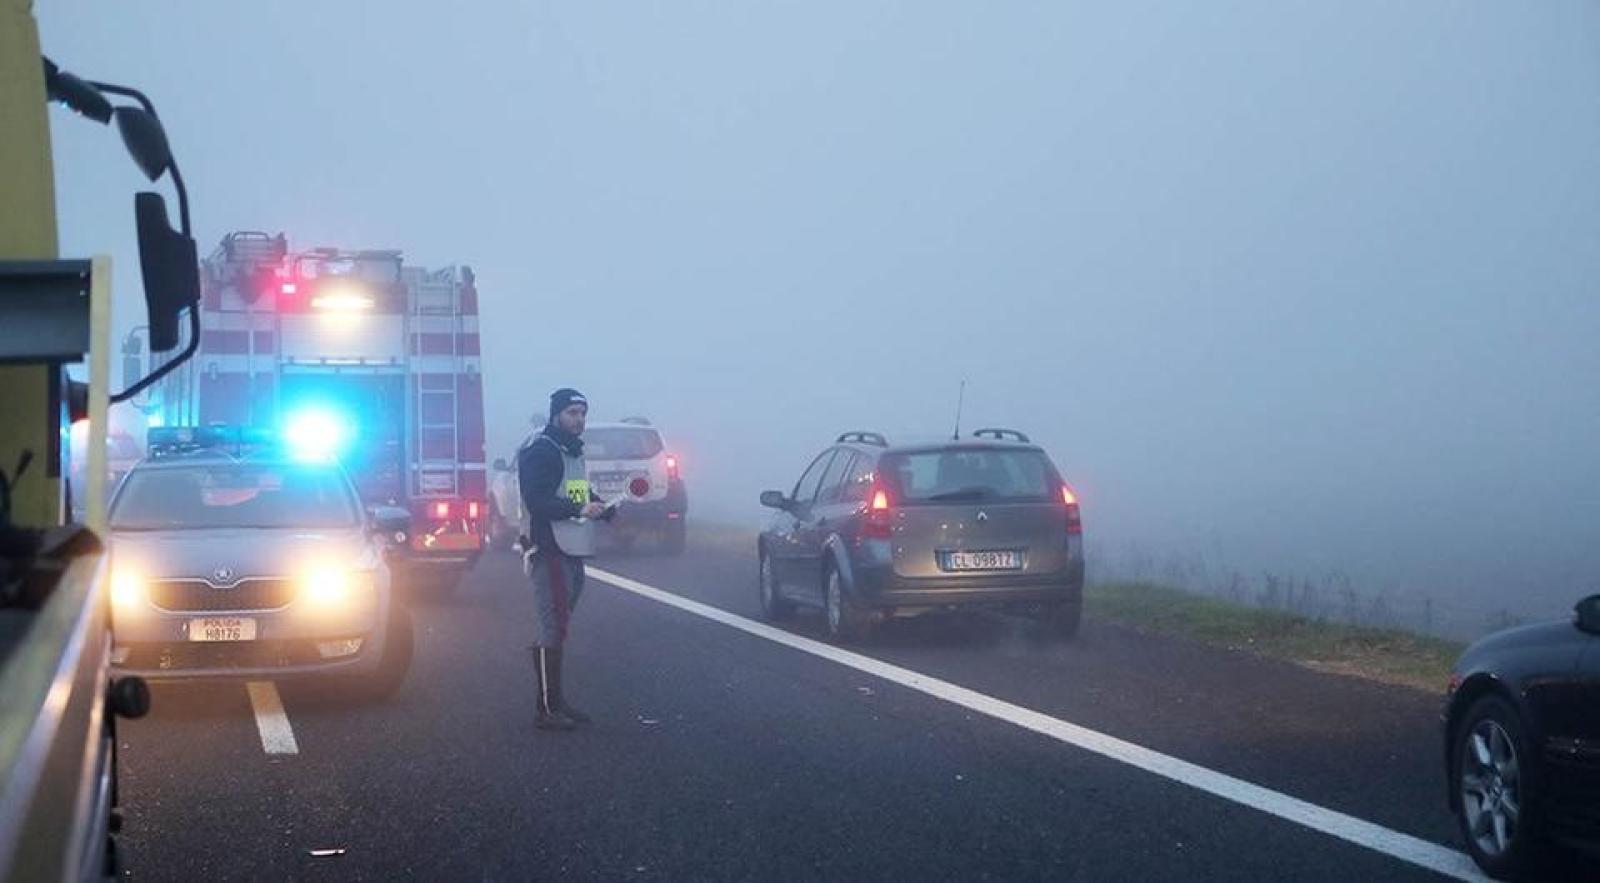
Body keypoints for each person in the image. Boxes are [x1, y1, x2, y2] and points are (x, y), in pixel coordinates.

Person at [517, 387, 612, 731]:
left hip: (571, 547)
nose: (579, 420)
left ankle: (554, 700)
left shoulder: (571, 450)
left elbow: (575, 491)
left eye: (583, 414)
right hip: (549, 548)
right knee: (553, 625)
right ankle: (547, 709)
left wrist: (601, 507)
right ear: (556, 414)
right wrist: (578, 509)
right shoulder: (542, 450)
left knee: (558, 625)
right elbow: (537, 500)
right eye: (572, 413)